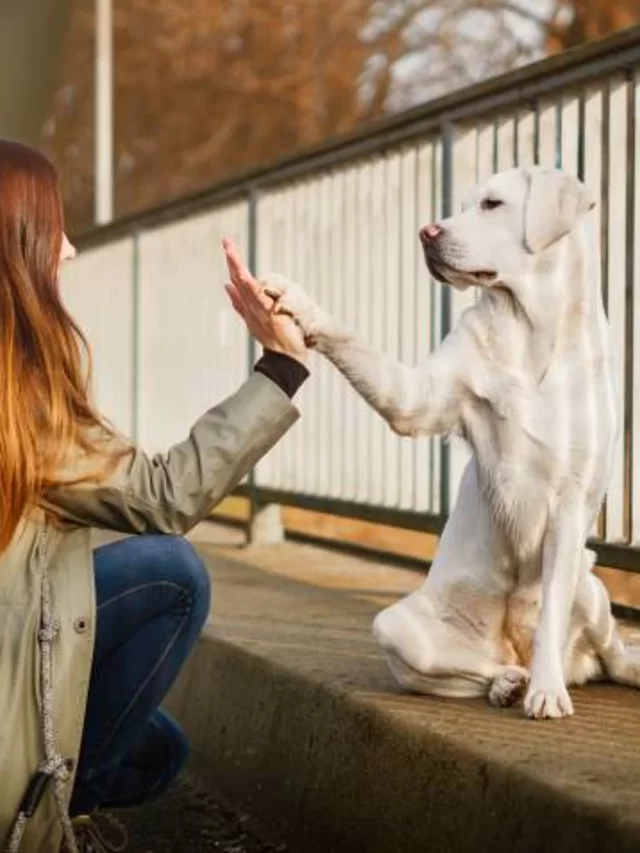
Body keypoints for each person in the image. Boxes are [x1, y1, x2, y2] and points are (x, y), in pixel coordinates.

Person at [0, 140, 309, 853]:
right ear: (17, 247)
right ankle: (40, 824)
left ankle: (60, 798)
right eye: (55, 230)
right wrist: (282, 366)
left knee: (159, 747)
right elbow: (167, 494)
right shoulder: (20, 403)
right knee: (171, 572)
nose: (71, 250)